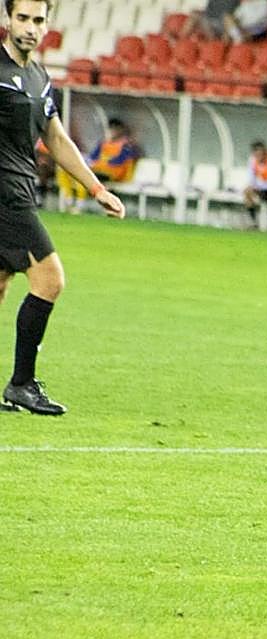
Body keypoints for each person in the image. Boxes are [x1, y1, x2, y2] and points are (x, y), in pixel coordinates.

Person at [1, 0, 125, 415]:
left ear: (47, 24)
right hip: (5, 196)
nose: (30, 27)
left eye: (38, 20)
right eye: (22, 18)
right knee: (50, 279)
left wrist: (96, 188)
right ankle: (21, 384)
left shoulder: (39, 77)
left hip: (21, 189)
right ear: (6, 19)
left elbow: (55, 138)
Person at [57, 117, 139, 213]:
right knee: (64, 171)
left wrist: (100, 163)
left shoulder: (127, 145)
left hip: (113, 174)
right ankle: (69, 198)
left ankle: (80, 203)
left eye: (114, 129)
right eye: (110, 129)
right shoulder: (104, 143)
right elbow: (93, 157)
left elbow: (120, 161)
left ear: (120, 130)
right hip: (100, 171)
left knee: (83, 175)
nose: (111, 132)